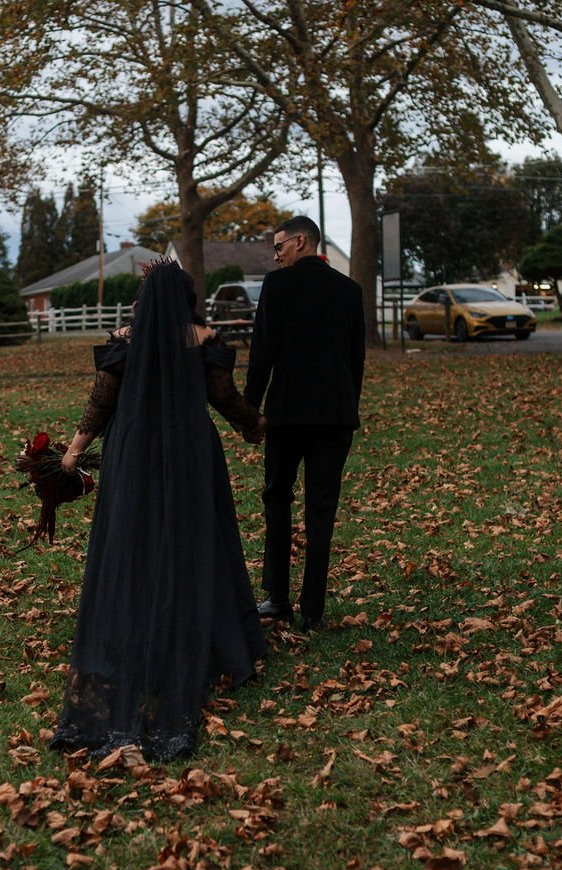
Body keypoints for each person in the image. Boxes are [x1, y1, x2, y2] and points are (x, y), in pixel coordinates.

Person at [51, 260, 267, 761]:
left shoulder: (125, 340)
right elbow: (224, 397)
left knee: (134, 540)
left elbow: (101, 401)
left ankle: (131, 636)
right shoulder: (203, 339)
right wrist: (254, 425)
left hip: (133, 452)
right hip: (189, 450)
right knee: (193, 538)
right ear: (187, 297)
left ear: (144, 299)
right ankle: (207, 638)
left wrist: (74, 450)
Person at [244, 216, 365, 632]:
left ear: (300, 242)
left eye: (278, 247)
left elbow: (262, 354)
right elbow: (356, 359)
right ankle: (312, 608)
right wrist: (348, 405)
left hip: (288, 414)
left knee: (277, 499)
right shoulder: (349, 291)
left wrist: (250, 412)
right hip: (335, 418)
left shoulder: (278, 286)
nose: (276, 255)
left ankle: (277, 597)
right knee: (321, 510)